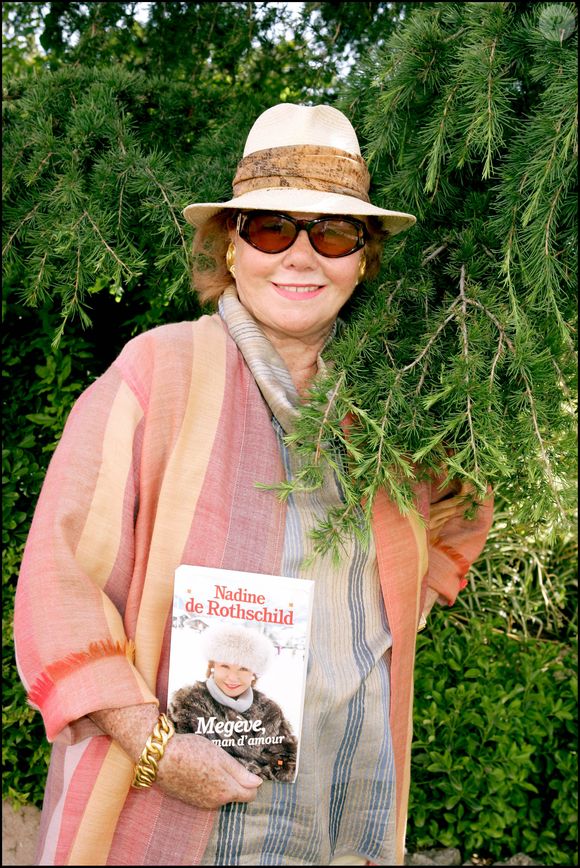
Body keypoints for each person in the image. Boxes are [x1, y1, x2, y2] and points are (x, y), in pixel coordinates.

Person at [13, 102, 493, 866]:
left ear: (364, 259)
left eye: (334, 234)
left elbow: (463, 505)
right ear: (231, 248)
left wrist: (404, 602)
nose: (301, 257)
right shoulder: (156, 371)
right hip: (170, 812)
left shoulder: (393, 404)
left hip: (342, 815)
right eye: (272, 227)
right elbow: (57, 581)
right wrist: (155, 747)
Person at [168, 622, 298, 782]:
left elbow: (287, 761)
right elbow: (175, 757)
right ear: (213, 666)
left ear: (253, 673)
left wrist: (251, 775)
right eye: (225, 666)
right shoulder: (188, 703)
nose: (232, 677)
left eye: (243, 669)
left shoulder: (269, 711)